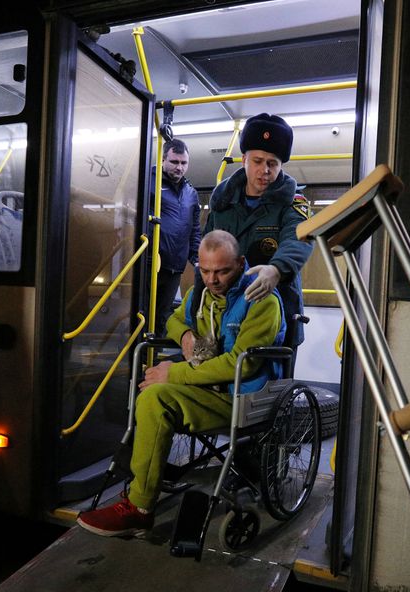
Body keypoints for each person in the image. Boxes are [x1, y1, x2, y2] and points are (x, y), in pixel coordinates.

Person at [78, 230, 285, 537]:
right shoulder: (199, 295)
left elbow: (239, 364)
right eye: (204, 270)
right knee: (151, 392)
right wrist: (186, 336)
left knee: (156, 396)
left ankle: (140, 506)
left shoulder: (261, 300)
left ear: (241, 264)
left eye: (222, 271)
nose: (212, 279)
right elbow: (174, 319)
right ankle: (142, 488)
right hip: (204, 391)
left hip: (242, 400)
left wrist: (172, 373)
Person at [201, 113, 313, 344]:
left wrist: (277, 270)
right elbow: (204, 258)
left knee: (276, 380)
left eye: (272, 164)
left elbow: (298, 239)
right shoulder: (222, 204)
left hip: (277, 315)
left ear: (281, 165)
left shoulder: (294, 203)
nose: (265, 170)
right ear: (244, 160)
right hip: (225, 316)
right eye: (258, 161)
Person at [148, 138, 201, 335]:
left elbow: (194, 229)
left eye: (183, 163)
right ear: (163, 160)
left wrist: (197, 258)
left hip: (174, 268)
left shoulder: (190, 193)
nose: (179, 168)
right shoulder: (148, 182)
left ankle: (152, 362)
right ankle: (136, 361)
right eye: (174, 162)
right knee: (142, 315)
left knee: (162, 318)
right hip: (150, 263)